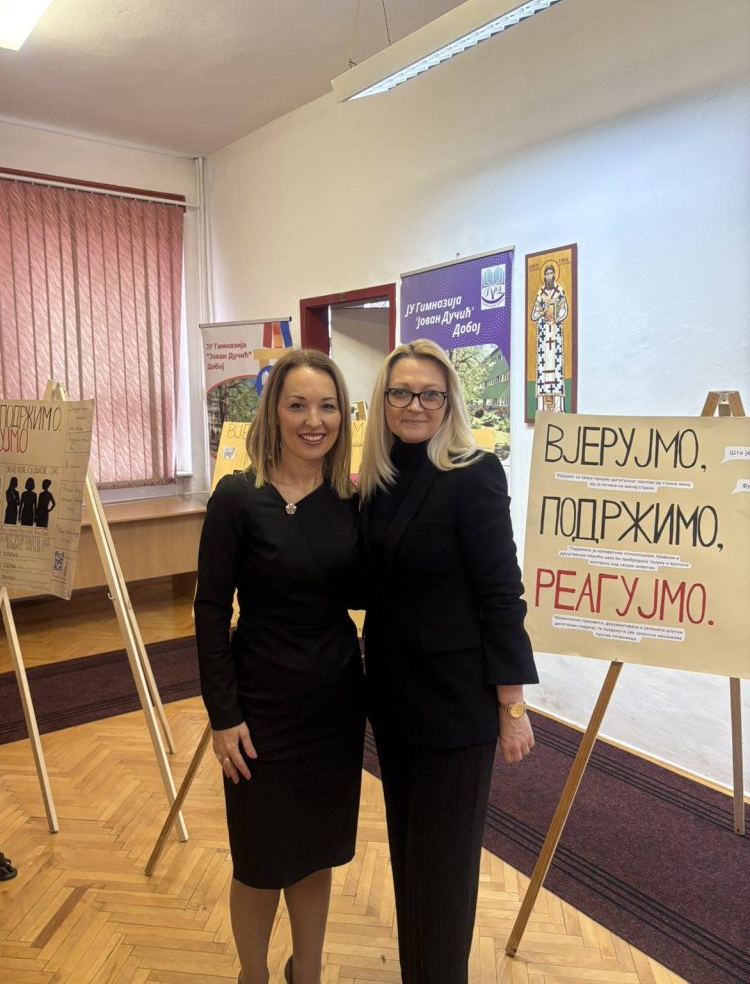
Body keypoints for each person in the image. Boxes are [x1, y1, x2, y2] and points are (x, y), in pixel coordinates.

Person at [358, 339, 538, 984]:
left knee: (444, 868)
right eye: (402, 392)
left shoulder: (473, 472)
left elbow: (502, 595)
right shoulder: (378, 478)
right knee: (410, 854)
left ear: (449, 401)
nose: (415, 405)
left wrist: (511, 705)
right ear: (383, 400)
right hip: (394, 697)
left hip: (455, 706)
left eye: (430, 394)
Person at [194, 349, 365, 984]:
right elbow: (211, 609)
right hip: (259, 710)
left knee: (317, 851)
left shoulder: (352, 498)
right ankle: (254, 976)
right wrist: (223, 715)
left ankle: (308, 973)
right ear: (274, 412)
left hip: (334, 706)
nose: (313, 421)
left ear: (343, 417)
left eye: (327, 407)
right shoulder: (239, 497)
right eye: (298, 405)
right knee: (260, 861)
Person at [530, 262, 569, 412]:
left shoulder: (560, 290)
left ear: (554, 275)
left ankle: (558, 408)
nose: (548, 276)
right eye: (546, 274)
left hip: (555, 332)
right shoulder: (540, 293)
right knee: (543, 369)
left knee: (556, 369)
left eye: (551, 273)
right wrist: (542, 312)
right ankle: (542, 409)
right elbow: (533, 315)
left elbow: (564, 310)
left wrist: (556, 317)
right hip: (543, 336)